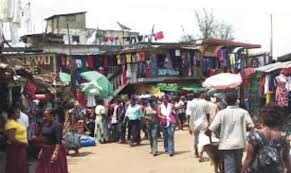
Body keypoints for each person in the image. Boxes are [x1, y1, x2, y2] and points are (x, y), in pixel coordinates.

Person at [206, 94, 254, 173]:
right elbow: (251, 126)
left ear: (225, 102)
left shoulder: (221, 113)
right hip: (240, 143)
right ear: (236, 101)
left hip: (226, 144)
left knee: (229, 167)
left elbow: (211, 128)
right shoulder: (243, 112)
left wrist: (209, 135)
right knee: (238, 166)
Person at [241, 105, 291, 173]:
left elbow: (248, 159)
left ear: (263, 119)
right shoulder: (282, 138)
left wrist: (243, 170)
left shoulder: (254, 136)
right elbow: (286, 159)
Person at [36, 109, 68, 173]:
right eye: (44, 115)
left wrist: (55, 153)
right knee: (44, 169)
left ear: (52, 115)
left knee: (54, 169)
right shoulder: (44, 125)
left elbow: (58, 141)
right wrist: (41, 150)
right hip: (45, 150)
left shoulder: (57, 126)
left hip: (54, 149)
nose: (44, 117)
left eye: (46, 115)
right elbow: (45, 139)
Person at [5, 107, 28, 173]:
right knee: (16, 166)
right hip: (16, 148)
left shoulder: (16, 121)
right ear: (12, 114)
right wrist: (23, 144)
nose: (19, 114)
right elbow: (12, 139)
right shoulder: (11, 123)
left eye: (19, 112)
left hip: (20, 147)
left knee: (20, 166)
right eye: (17, 112)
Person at [188, 93, 210, 159]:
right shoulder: (205, 102)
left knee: (195, 139)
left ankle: (196, 152)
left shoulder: (190, 103)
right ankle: (201, 153)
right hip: (203, 123)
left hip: (194, 123)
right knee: (203, 138)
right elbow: (207, 114)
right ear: (200, 96)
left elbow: (189, 115)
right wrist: (208, 122)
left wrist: (189, 126)